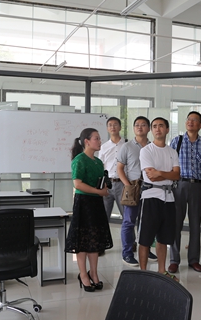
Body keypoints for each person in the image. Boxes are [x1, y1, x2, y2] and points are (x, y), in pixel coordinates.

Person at [65, 128, 114, 292]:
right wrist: (98, 192)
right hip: (84, 203)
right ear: (86, 141)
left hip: (96, 203)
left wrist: (104, 187)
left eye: (99, 138)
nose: (100, 141)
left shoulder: (98, 162)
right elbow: (77, 184)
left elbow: (99, 182)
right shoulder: (79, 160)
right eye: (96, 138)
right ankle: (83, 274)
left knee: (94, 239)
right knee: (83, 240)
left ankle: (93, 273)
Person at [168, 111, 201, 274]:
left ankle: (194, 259)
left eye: (194, 120)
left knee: (195, 224)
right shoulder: (177, 141)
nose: (190, 122)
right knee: (176, 224)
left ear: (200, 125)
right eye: (189, 119)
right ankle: (174, 260)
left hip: (198, 187)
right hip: (179, 185)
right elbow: (169, 164)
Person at [137, 117, 180, 280]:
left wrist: (160, 173)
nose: (157, 129)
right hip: (150, 197)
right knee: (145, 239)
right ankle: (143, 274)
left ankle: (162, 271)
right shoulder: (146, 150)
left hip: (169, 198)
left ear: (167, 129)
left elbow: (177, 175)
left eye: (161, 126)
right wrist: (168, 174)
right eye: (154, 126)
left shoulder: (172, 152)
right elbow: (151, 176)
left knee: (164, 238)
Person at [116, 116, 156, 266]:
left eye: (143, 125)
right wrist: (128, 185)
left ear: (148, 128)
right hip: (133, 186)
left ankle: (146, 249)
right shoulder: (126, 147)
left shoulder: (153, 146)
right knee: (129, 221)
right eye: (137, 125)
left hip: (150, 187)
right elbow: (119, 168)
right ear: (133, 128)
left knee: (147, 221)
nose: (140, 127)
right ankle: (127, 253)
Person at [100, 116, 126, 220]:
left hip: (123, 184)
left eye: (115, 125)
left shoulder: (127, 145)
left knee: (126, 216)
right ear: (107, 128)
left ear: (120, 127)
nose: (113, 127)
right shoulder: (103, 147)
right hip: (107, 184)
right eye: (110, 125)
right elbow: (101, 166)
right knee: (104, 217)